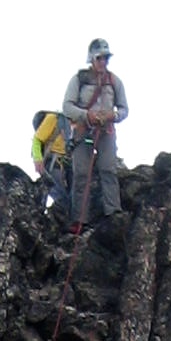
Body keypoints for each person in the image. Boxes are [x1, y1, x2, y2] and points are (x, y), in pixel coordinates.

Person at [59, 38, 127, 224]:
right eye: (100, 58)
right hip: (83, 132)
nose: (103, 62)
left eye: (106, 58)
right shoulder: (79, 79)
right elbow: (67, 107)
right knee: (81, 173)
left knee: (108, 169)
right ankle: (79, 220)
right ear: (92, 59)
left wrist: (113, 116)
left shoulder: (114, 81)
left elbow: (124, 110)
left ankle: (113, 213)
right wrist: (86, 115)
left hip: (106, 133)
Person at [30, 104, 72, 214]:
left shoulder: (74, 124)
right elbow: (37, 140)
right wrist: (38, 159)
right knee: (60, 195)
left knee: (72, 196)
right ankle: (65, 221)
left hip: (68, 163)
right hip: (54, 163)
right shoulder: (53, 118)